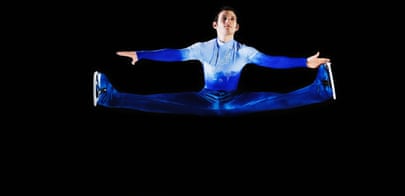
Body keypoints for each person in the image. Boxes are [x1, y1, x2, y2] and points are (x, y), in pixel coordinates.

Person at [93, 6, 336, 116]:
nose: (228, 22)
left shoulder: (245, 52)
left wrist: (304, 62)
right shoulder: (203, 48)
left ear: (237, 26)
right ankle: (108, 95)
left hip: (235, 100)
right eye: (224, 18)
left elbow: (272, 61)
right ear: (215, 25)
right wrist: (141, 54)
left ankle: (320, 90)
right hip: (204, 98)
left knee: (276, 100)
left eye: (232, 19)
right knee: (159, 101)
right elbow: (174, 53)